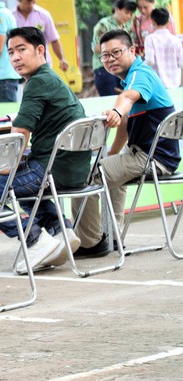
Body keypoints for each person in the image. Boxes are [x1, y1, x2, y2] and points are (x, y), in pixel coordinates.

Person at [0, 26, 89, 272]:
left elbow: (19, 135)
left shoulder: (37, 83)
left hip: (50, 171)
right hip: (73, 172)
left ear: (40, 50)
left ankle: (34, 239)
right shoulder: (53, 79)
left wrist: (6, 166)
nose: (15, 57)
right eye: (10, 52)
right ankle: (61, 231)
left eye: (21, 49)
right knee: (20, 183)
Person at [74, 29, 180, 258]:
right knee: (106, 168)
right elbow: (124, 122)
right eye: (105, 56)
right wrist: (111, 153)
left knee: (84, 175)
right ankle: (112, 236)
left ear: (132, 50)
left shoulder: (139, 74)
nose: (110, 59)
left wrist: (115, 110)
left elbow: (127, 98)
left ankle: (92, 243)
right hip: (154, 157)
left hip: (151, 159)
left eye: (116, 52)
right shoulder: (133, 77)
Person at [91, 0, 137, 96]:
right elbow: (97, 48)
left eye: (131, 14)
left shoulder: (126, 27)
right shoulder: (104, 24)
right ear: (117, 9)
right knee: (111, 101)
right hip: (105, 68)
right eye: (126, 12)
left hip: (123, 69)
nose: (129, 16)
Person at [12, 0, 68, 71]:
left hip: (41, 65)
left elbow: (54, 40)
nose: (31, 5)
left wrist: (62, 59)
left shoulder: (44, 15)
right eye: (28, 2)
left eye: (33, 2)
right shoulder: (11, 16)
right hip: (19, 66)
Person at [144, 8, 182, 89]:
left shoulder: (150, 39)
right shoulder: (176, 40)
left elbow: (150, 61)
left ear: (153, 22)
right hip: (175, 83)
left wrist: (141, 66)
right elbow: (181, 62)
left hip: (157, 84)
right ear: (168, 22)